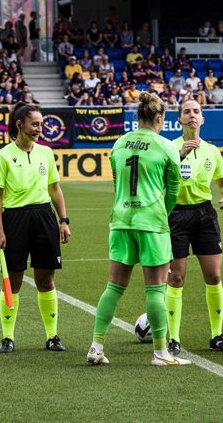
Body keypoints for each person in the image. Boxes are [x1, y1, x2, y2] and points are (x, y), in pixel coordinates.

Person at [87, 92, 191, 367]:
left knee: (114, 286)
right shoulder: (167, 146)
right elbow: (173, 189)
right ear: (159, 118)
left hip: (121, 219)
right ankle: (160, 352)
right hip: (151, 222)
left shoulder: (119, 144)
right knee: (156, 290)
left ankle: (96, 346)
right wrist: (162, 213)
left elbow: (115, 182)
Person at [0, 103, 71, 354]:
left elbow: (54, 188)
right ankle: (7, 337)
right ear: (20, 125)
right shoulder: (3, 155)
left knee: (46, 280)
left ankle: (52, 336)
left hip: (44, 217)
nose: (40, 128)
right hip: (14, 219)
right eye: (35, 124)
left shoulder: (46, 152)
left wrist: (64, 220)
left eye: (41, 124)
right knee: (13, 281)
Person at [165, 99, 223, 356]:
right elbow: (160, 181)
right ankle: (173, 338)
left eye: (196, 111)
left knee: (214, 276)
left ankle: (216, 335)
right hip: (176, 215)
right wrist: (180, 155)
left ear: (202, 119)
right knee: (176, 277)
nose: (192, 115)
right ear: (180, 119)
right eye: (187, 112)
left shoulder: (212, 151)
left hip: (205, 214)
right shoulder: (169, 148)